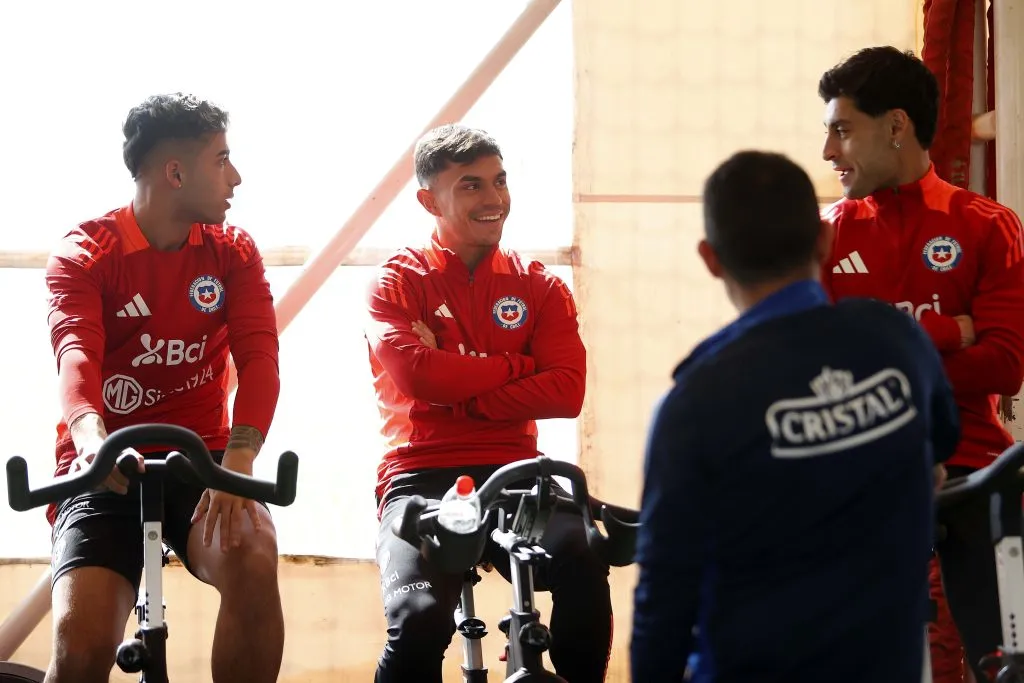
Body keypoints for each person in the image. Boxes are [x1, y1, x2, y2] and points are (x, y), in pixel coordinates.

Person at [630, 150, 960, 683]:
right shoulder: (896, 339)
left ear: (711, 258)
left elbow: (665, 595)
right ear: (825, 242)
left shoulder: (694, 401)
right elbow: (943, 443)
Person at [44, 93, 283, 683]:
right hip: (104, 464)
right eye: (222, 160)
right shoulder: (86, 255)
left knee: (253, 561)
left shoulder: (232, 252)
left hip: (203, 460)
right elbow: (75, 355)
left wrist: (241, 458)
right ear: (176, 173)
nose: (237, 177)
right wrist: (92, 442)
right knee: (83, 646)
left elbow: (260, 361)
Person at [364, 123, 611, 682]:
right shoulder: (397, 281)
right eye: (471, 186)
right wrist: (520, 368)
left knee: (586, 565)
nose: (494, 198)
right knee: (420, 620)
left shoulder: (539, 285)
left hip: (516, 471)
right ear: (429, 200)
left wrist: (464, 395)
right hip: (419, 476)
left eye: (499, 182)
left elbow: (567, 392)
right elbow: (418, 377)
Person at [819, 46, 1024, 682]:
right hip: (858, 465)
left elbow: (1005, 364)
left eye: (842, 129)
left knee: (1004, 658)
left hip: (972, 468)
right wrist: (944, 330)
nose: (828, 152)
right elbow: (818, 372)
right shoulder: (822, 235)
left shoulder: (988, 225)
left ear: (896, 126)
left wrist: (878, 354)